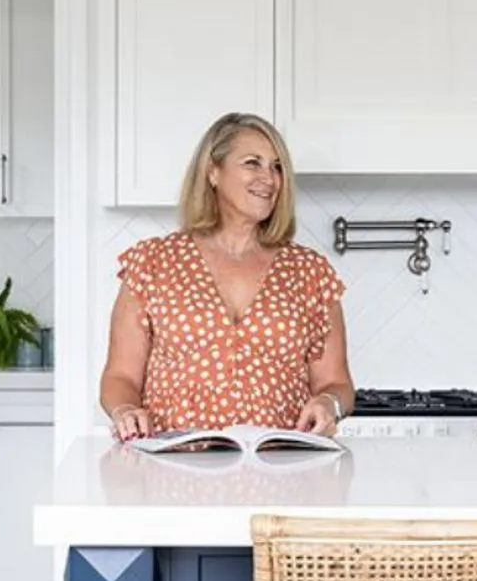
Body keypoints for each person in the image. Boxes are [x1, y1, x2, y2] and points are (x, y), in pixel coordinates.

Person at [99, 111, 354, 443]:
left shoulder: (309, 273)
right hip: (174, 470)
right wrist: (125, 410)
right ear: (212, 172)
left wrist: (328, 403)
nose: (270, 178)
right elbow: (120, 376)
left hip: (281, 469)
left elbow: (338, 383)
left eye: (277, 167)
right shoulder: (153, 263)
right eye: (253, 163)